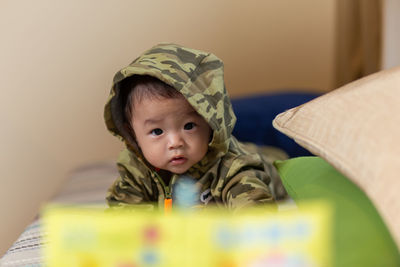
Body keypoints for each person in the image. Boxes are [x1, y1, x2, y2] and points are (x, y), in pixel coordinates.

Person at [104, 43, 287, 211]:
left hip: (269, 160)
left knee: (275, 159)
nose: (175, 142)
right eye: (157, 131)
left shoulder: (231, 166)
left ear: (209, 122)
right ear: (132, 133)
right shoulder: (136, 172)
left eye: (189, 126)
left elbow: (253, 204)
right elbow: (123, 216)